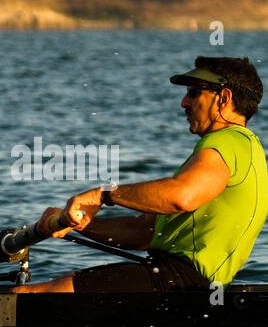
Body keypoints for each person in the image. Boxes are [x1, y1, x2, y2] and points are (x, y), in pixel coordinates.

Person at [18, 56, 267, 293]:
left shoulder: (228, 141)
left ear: (224, 98)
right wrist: (79, 222)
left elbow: (181, 196)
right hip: (178, 280)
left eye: (193, 93)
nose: (184, 102)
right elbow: (144, 232)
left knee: (25, 298)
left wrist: (103, 195)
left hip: (179, 281)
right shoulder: (242, 149)